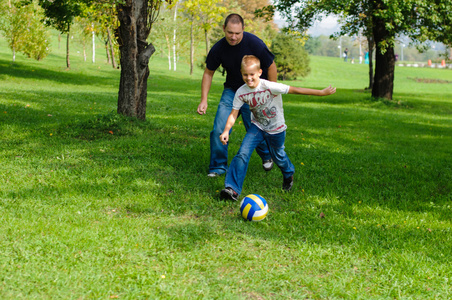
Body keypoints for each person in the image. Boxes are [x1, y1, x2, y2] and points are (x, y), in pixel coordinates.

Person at [219, 55, 336, 201]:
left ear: (260, 72)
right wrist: (225, 131)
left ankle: (288, 174)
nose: (248, 78)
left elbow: (296, 90)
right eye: (245, 75)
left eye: (252, 74)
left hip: (276, 129)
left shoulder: (270, 86)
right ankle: (232, 189)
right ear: (241, 73)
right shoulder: (241, 92)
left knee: (279, 157)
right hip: (257, 127)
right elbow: (233, 113)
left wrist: (321, 92)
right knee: (242, 153)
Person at [197, 13, 277, 178]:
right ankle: (218, 167)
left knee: (254, 127)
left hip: (254, 92)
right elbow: (208, 73)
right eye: (230, 33)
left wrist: (271, 93)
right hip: (232, 92)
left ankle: (266, 154)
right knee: (219, 127)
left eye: (237, 33)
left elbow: (271, 66)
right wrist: (204, 99)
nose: (233, 37)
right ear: (224, 29)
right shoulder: (218, 48)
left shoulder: (255, 44)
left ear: (243, 30)